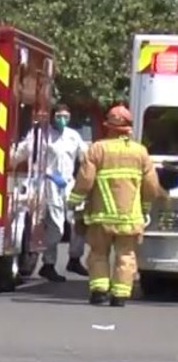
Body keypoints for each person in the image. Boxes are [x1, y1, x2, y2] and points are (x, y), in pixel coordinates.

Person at [67, 104, 168, 307]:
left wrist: (74, 202)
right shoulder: (140, 152)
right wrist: (146, 207)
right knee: (126, 256)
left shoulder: (97, 149)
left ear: (108, 127)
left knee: (98, 254)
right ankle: (120, 296)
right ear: (128, 128)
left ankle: (99, 292)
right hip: (130, 219)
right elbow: (151, 187)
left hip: (100, 217)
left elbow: (85, 180)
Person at [10, 103, 88, 280]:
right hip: (47, 183)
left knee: (79, 222)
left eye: (66, 117)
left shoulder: (73, 136)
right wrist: (7, 161)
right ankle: (48, 263)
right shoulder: (40, 135)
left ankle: (74, 259)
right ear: (53, 116)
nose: (62, 120)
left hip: (68, 184)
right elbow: (22, 152)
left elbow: (86, 156)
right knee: (56, 227)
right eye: (59, 116)